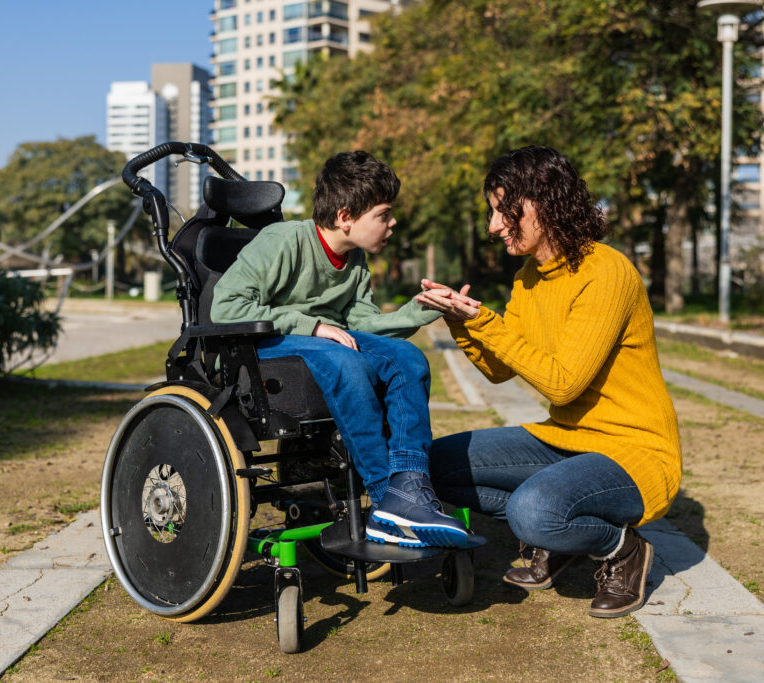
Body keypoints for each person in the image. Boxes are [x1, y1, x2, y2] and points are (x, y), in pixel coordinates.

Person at [415, 146, 681, 617]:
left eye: (503, 212)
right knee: (432, 467)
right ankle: (559, 526)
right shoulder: (528, 278)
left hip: (633, 451)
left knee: (532, 513)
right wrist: (462, 321)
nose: (493, 226)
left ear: (539, 202)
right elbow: (499, 371)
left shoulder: (606, 272)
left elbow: (563, 385)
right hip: (564, 440)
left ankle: (619, 547)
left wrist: (488, 323)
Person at [211, 150, 469, 548]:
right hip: (266, 349)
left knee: (406, 359)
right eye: (384, 214)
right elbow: (225, 307)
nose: (393, 222)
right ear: (346, 215)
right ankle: (385, 496)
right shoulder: (284, 241)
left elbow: (363, 324)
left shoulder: (354, 259)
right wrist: (312, 326)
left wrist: (419, 310)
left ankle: (410, 485)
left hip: (327, 343)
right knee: (344, 360)